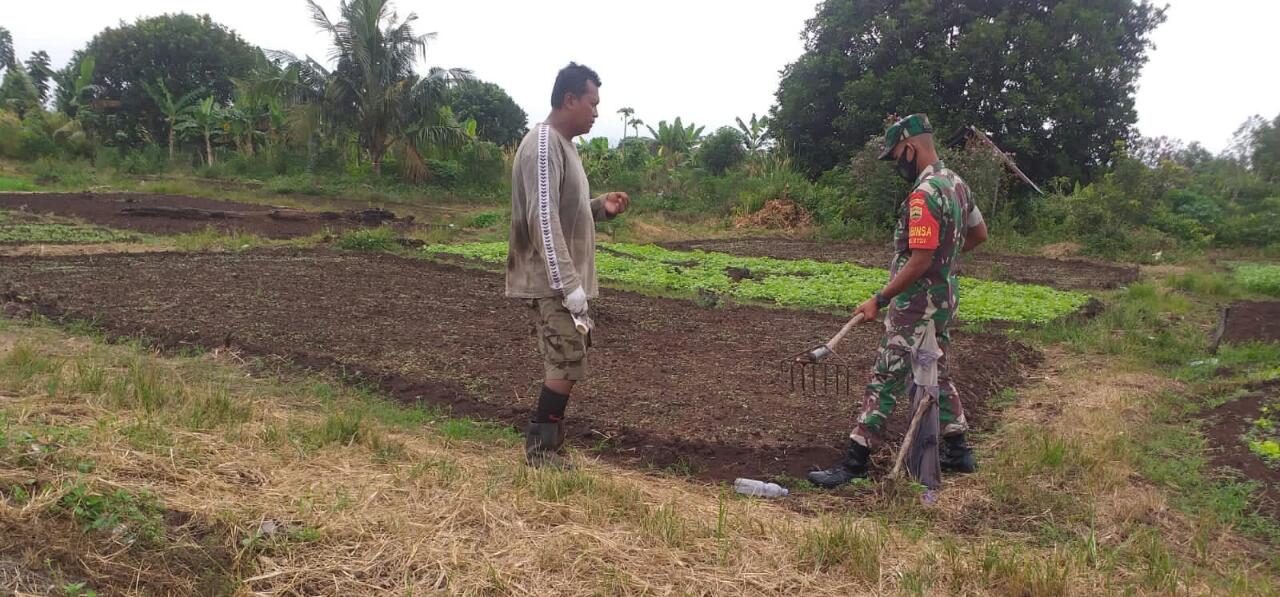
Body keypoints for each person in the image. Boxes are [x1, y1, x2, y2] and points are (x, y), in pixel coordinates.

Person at [808, 113, 989, 488]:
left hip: (916, 305)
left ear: (911, 148)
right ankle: (959, 451)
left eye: (896, 157)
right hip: (943, 299)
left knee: (887, 374)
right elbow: (978, 233)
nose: (897, 165)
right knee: (936, 368)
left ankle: (855, 460)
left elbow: (921, 258)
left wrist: (880, 298)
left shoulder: (924, 194)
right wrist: (946, 263)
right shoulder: (956, 184)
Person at [505, 62, 630, 468]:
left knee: (569, 362)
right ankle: (540, 452)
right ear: (570, 99)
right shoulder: (544, 144)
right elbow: (542, 219)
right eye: (592, 103)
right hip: (552, 282)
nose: (596, 112)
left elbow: (564, 213)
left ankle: (551, 446)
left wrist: (600, 209)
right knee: (564, 362)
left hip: (561, 280)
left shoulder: (564, 147)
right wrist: (569, 286)